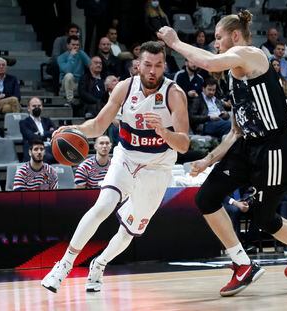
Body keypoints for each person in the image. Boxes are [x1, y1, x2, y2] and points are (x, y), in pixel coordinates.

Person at [158, 10, 287, 297]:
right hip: (247, 145)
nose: (215, 43)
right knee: (206, 198)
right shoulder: (234, 79)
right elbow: (236, 130)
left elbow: (208, 62)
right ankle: (243, 263)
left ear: (235, 36)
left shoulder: (251, 55)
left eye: (218, 37)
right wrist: (208, 159)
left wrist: (175, 42)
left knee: (264, 218)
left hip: (275, 149)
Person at [41, 41, 190, 293]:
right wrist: (74, 130)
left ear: (164, 65)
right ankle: (64, 264)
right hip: (126, 158)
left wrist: (163, 131)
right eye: (148, 65)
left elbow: (184, 144)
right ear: (138, 65)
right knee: (103, 205)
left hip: (157, 167)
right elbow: (99, 125)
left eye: (158, 65)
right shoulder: (124, 88)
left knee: (130, 229)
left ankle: (99, 264)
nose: (153, 70)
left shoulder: (174, 94)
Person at [19, 97, 56, 163]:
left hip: (49, 149)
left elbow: (55, 133)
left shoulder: (47, 121)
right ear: (28, 108)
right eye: (34, 106)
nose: (37, 108)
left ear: (42, 107)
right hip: (34, 151)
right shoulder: (23, 123)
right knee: (49, 157)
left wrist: (41, 134)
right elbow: (32, 137)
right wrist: (48, 133)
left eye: (39, 106)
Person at [57, 36, 91, 105]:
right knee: (69, 75)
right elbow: (67, 70)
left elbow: (91, 65)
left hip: (79, 83)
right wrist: (71, 57)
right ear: (68, 45)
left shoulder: (81, 53)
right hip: (66, 83)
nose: (75, 47)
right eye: (73, 45)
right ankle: (70, 100)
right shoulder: (61, 58)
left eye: (77, 45)